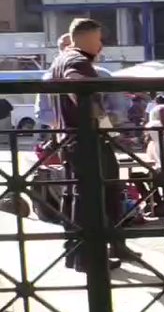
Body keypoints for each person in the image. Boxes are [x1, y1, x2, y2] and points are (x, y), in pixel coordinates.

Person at [50, 18, 134, 272]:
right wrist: (99, 117)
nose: (101, 45)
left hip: (73, 139)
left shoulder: (60, 59)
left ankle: (79, 255)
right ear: (87, 37)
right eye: (98, 39)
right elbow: (76, 82)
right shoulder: (77, 61)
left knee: (83, 196)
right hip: (87, 139)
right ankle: (90, 257)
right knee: (96, 196)